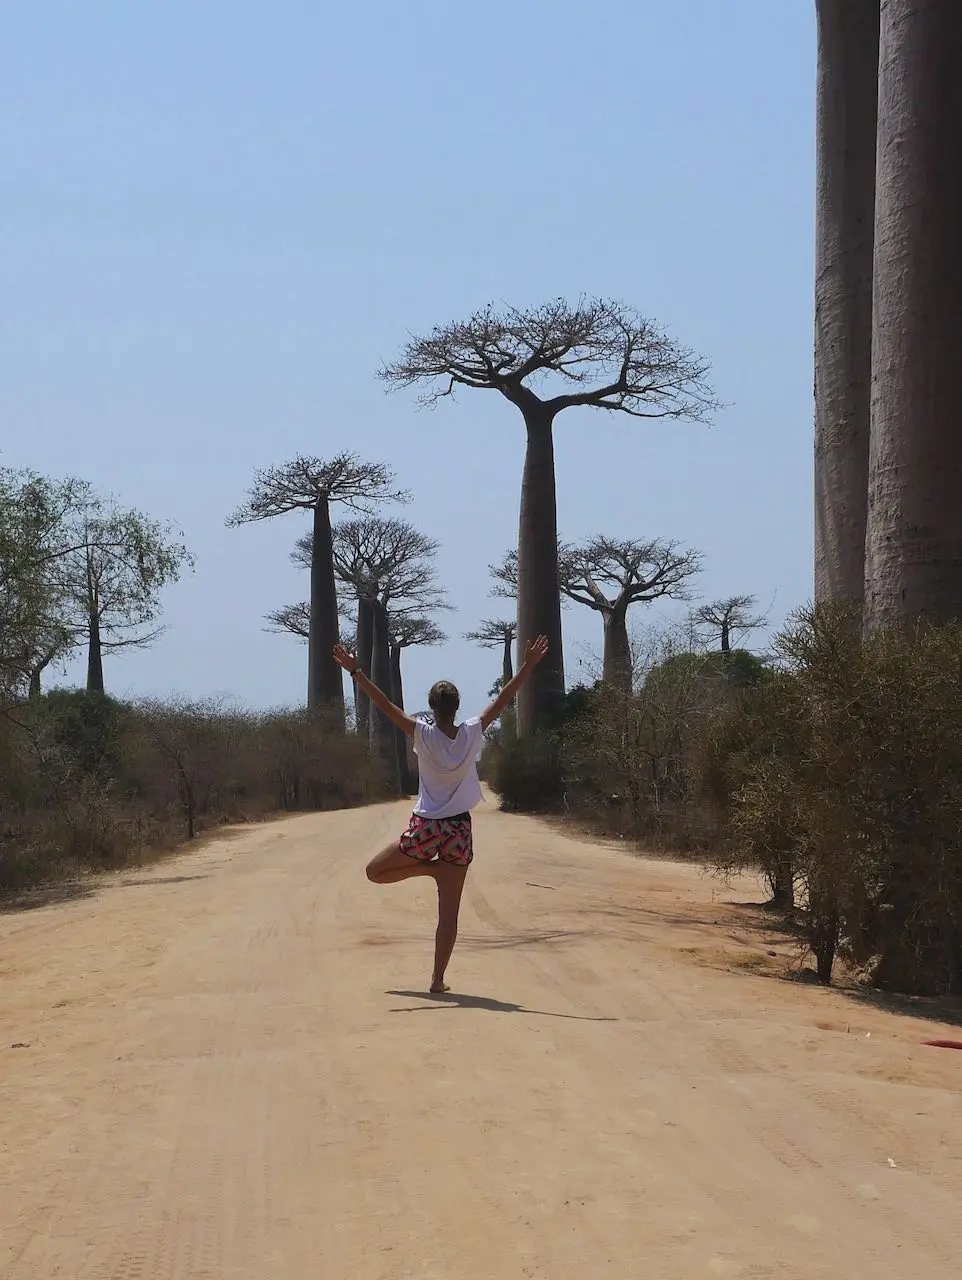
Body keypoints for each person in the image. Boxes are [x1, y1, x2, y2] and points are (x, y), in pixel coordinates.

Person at [332, 635, 549, 993]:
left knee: (375, 872)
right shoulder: (472, 733)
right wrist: (527, 666)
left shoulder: (421, 734)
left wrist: (356, 671)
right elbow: (505, 699)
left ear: (431, 707)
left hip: (426, 829)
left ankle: (426, 869)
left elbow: (384, 705)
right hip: (459, 833)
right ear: (457, 706)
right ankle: (437, 980)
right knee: (448, 914)